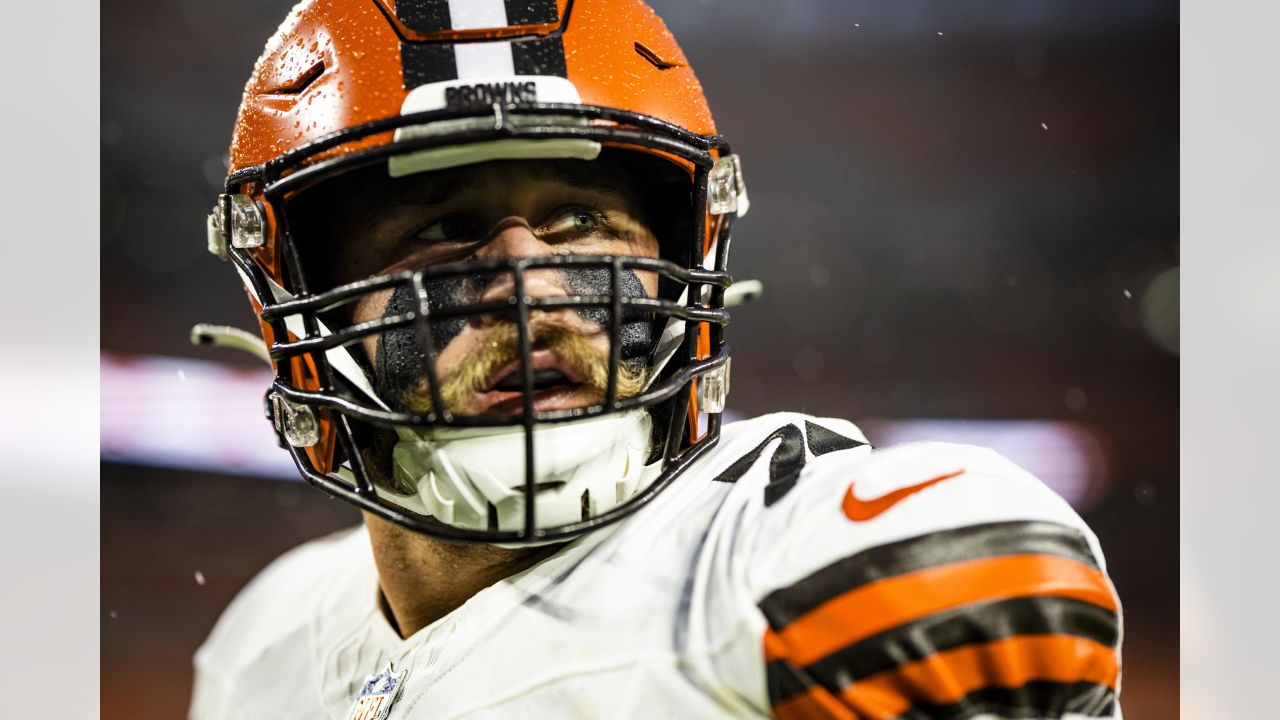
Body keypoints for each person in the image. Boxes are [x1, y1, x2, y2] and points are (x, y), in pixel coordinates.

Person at [191, 1, 1123, 718]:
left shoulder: (779, 567)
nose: (532, 285)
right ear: (296, 294)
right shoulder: (261, 640)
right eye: (445, 230)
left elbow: (981, 571)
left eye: (581, 223)